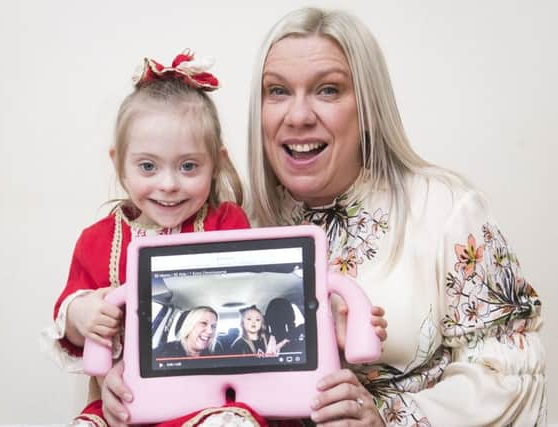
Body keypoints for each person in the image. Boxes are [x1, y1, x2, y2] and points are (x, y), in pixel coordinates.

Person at [102, 6, 546, 427]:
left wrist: (387, 417)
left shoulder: (444, 209)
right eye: (278, 91)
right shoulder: (230, 227)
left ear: (368, 107)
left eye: (327, 89)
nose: (297, 115)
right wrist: (120, 382)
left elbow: (512, 367)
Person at [40, 50, 252, 426]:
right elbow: (68, 310)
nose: (168, 185)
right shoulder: (100, 239)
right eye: (148, 166)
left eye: (188, 166)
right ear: (119, 162)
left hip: (209, 400)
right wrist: (83, 313)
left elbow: (253, 296)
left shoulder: (226, 224)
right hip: (127, 401)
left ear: (215, 163)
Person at [155, 306, 222, 358]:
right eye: (203, 323)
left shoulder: (217, 352)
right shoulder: (162, 353)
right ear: (189, 326)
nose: (210, 331)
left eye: (213, 326)